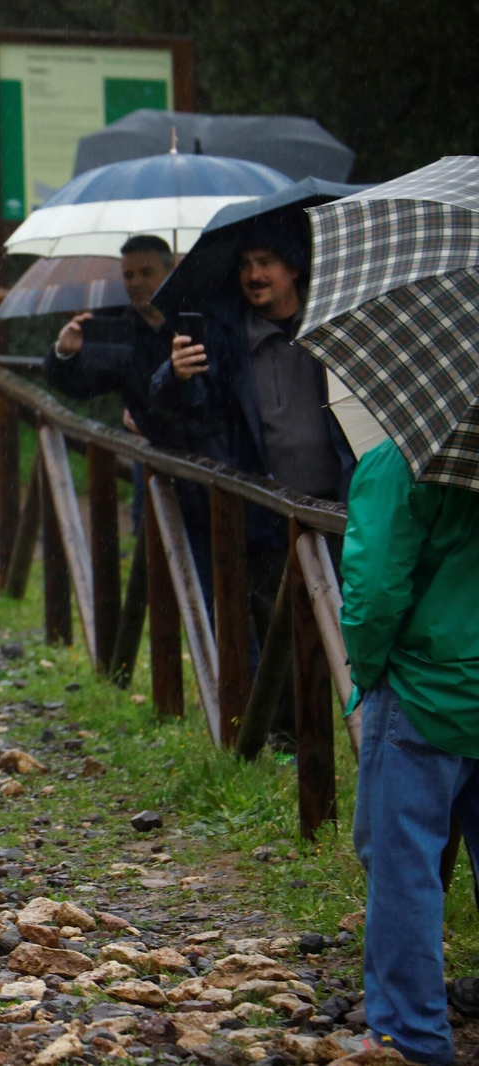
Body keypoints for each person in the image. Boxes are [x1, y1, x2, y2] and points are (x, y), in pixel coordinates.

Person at [152, 223, 355, 745]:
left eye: (266, 262)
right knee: (278, 623)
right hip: (267, 509)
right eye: (245, 264)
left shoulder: (338, 322)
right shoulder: (226, 337)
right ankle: (293, 741)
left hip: (343, 504)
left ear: (294, 268)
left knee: (354, 618)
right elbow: (181, 410)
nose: (253, 275)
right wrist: (173, 376)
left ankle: (366, 730)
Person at [341, 438, 479, 1066]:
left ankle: (410, 1037)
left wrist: (366, 677)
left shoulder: (405, 458)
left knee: (402, 862)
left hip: (430, 687)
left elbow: (373, 591)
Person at [45, 236, 212, 599]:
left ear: (170, 271)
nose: (136, 282)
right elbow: (83, 385)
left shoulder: (200, 316)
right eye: (128, 274)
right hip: (156, 460)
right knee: (161, 571)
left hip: (214, 461)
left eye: (147, 272)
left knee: (222, 574)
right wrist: (64, 352)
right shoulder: (118, 327)